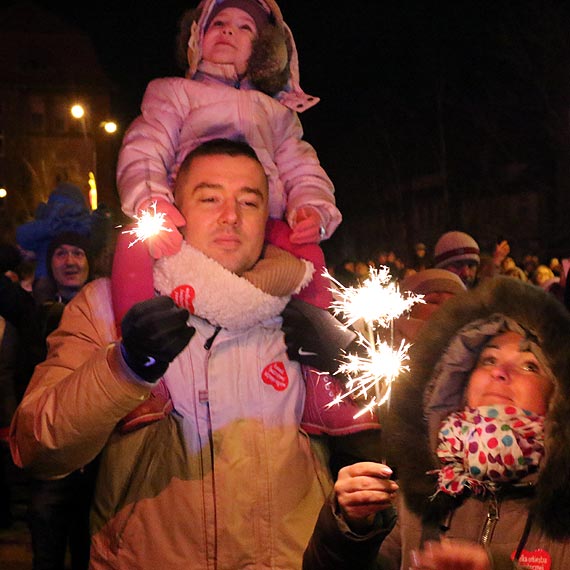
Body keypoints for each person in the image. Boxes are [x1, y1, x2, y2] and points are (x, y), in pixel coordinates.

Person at [10, 139, 346, 570]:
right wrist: (123, 369)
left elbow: (403, 455)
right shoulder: (106, 305)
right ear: (176, 210)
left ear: (269, 215)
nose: (231, 216)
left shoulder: (316, 309)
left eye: (249, 201)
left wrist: (350, 361)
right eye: (209, 199)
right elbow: (38, 447)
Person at [303, 276, 570, 570]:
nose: (501, 372)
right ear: (460, 383)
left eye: (529, 365)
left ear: (557, 394)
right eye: (489, 360)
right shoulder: (420, 497)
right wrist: (349, 528)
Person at [116, 0, 341, 261]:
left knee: (308, 258)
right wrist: (152, 201)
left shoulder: (277, 113)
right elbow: (146, 148)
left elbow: (302, 168)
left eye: (245, 27)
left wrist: (312, 209)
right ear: (197, 37)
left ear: (263, 51)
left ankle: (310, 303)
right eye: (218, 23)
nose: (228, 31)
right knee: (133, 258)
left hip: (263, 226)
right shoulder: (176, 94)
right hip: (189, 221)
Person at [27, 231, 95, 570]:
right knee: (48, 549)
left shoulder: (109, 308)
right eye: (61, 254)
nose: (70, 261)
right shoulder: (31, 313)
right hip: (50, 451)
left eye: (78, 253)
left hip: (95, 451)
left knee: (90, 548)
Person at [434, 230, 509, 288]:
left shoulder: (478, 302)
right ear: (440, 268)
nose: (466, 273)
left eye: (471, 266)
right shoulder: (426, 301)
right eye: (457, 265)